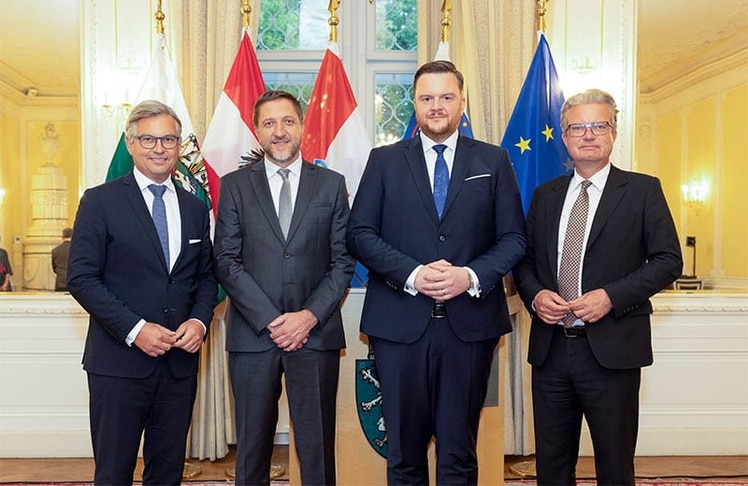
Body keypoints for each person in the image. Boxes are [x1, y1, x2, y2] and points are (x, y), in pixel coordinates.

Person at [347, 60, 527, 485]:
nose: (436, 106)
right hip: (399, 328)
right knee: (404, 456)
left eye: (446, 97)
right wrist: (411, 273)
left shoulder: (494, 160)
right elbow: (359, 234)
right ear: (414, 103)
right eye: (427, 98)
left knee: (459, 454)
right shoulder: (385, 161)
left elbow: (514, 239)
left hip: (469, 329)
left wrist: (469, 276)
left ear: (462, 103)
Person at [513, 89, 683, 486]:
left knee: (614, 465)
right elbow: (523, 263)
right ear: (565, 136)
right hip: (551, 350)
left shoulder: (643, 191)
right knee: (552, 466)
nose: (588, 134)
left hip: (613, 350)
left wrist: (611, 297)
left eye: (598, 125)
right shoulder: (545, 195)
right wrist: (536, 295)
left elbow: (668, 261)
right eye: (578, 127)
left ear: (614, 133)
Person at [67, 100, 217, 485]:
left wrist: (200, 322)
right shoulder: (100, 201)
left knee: (167, 474)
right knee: (114, 473)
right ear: (130, 144)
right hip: (118, 363)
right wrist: (136, 330)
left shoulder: (195, 207)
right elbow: (81, 278)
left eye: (168, 138)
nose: (159, 148)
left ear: (180, 144)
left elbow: (205, 277)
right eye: (148, 139)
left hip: (179, 367)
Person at [213, 90, 354, 486]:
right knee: (253, 447)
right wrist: (273, 320)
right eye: (269, 123)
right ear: (257, 131)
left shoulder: (330, 185)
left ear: (302, 126)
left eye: (288, 121)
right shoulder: (235, 186)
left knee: (317, 447)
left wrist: (307, 317)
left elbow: (342, 261)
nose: (279, 132)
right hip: (253, 335)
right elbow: (226, 260)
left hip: (315, 334)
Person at [51, 227, 72, 291]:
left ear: (62, 237)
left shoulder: (55, 250)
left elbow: (54, 268)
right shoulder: (77, 249)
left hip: (60, 283)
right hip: (74, 282)